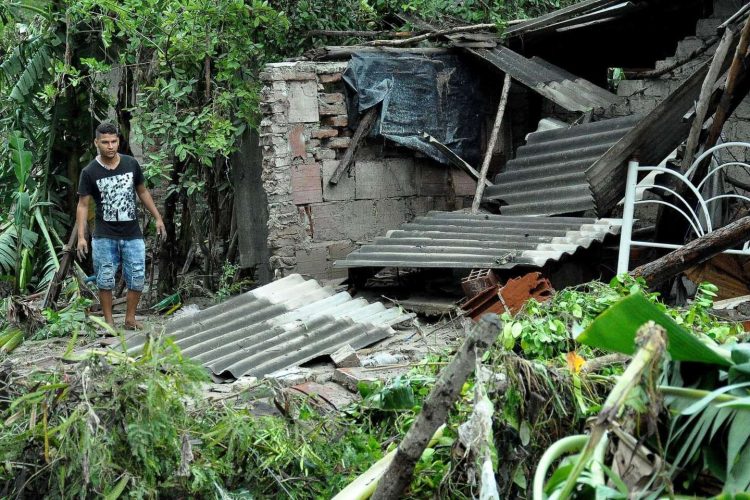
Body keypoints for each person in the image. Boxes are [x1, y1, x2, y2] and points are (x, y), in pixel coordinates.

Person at [76, 122, 165, 330]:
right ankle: (109, 323)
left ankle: (130, 319)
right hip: (104, 234)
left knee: (137, 276)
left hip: (132, 233)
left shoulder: (131, 164)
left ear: (118, 141)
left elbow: (142, 192)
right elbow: (82, 205)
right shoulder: (89, 172)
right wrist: (81, 236)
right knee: (105, 278)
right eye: (105, 142)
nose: (110, 146)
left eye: (114, 141)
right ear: (96, 143)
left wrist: (157, 218)